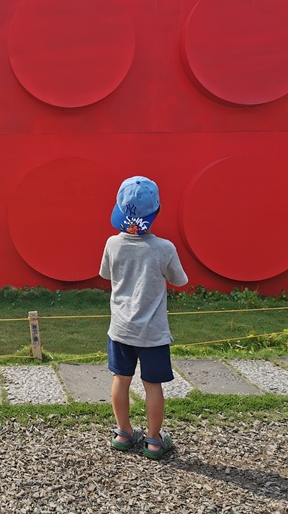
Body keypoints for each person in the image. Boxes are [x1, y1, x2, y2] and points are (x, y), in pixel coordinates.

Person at [99, 175, 188, 460]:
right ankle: (153, 440)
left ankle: (123, 432)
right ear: (157, 211)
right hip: (153, 332)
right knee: (152, 385)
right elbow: (180, 280)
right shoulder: (165, 249)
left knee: (121, 380)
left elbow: (106, 274)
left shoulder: (113, 244)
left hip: (121, 329)